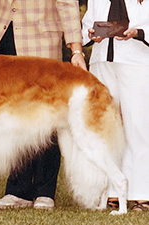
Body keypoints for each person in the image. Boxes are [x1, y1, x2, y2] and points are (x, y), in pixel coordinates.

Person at [0, 0, 86, 210]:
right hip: (4, 38)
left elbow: (67, 4)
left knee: (47, 120)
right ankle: (17, 190)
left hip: (40, 42)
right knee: (12, 121)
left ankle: (44, 191)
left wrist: (76, 50)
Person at [82, 0, 149, 212]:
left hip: (136, 61)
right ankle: (110, 190)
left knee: (137, 125)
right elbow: (87, 24)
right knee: (106, 130)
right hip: (102, 62)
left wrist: (138, 32)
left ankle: (142, 193)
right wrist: (92, 34)